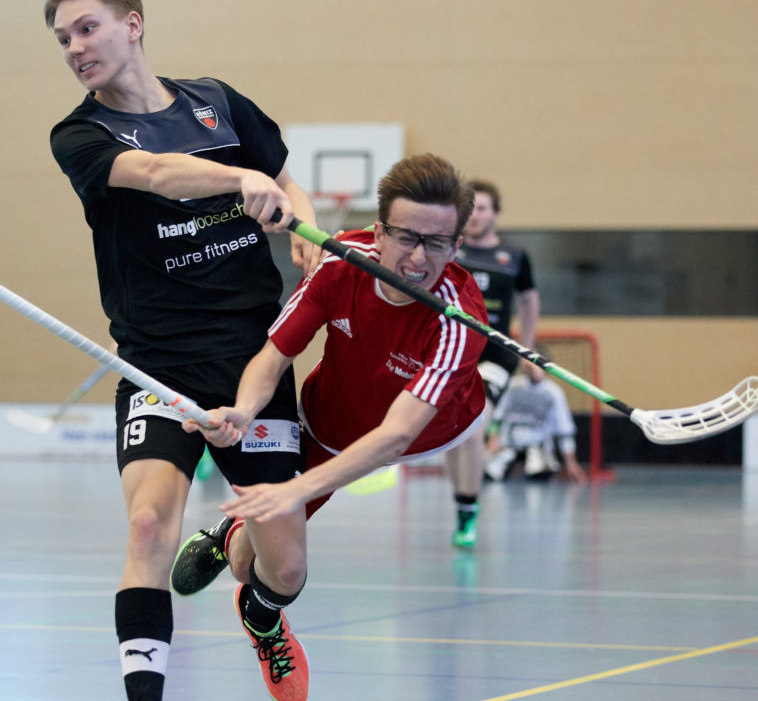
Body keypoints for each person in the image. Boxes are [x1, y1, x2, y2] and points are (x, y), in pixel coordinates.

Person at [39, 0, 319, 701]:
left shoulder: (218, 104)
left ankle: (255, 603)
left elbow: (283, 175)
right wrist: (240, 180)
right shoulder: (81, 137)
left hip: (255, 359)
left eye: (87, 27)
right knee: (147, 522)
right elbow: (159, 175)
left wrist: (302, 226)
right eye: (62, 37)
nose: (74, 47)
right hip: (155, 365)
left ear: (132, 23)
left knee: (287, 567)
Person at [172, 152, 488, 605]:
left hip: (423, 432)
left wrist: (295, 490)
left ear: (455, 247)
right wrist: (243, 410)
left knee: (279, 541)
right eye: (406, 237)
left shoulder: (459, 320)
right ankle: (229, 535)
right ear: (379, 233)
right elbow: (275, 355)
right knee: (246, 563)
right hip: (330, 418)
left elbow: (396, 435)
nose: (419, 258)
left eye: (436, 243)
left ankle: (262, 618)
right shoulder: (340, 263)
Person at [442, 180, 541, 548]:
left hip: (495, 353)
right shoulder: (448, 248)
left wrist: (527, 350)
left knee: (475, 424)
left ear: (495, 214)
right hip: (451, 350)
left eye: (482, 208)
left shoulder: (514, 257)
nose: (475, 215)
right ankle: (462, 503)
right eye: (469, 209)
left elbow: (529, 302)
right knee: (451, 434)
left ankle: (468, 507)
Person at [485, 370, 586, 482]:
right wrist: (493, 439)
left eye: (539, 366)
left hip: (537, 447)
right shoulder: (513, 386)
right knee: (489, 471)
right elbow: (496, 416)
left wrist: (570, 462)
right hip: (508, 444)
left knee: (540, 474)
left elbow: (564, 429)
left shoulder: (554, 392)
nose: (534, 369)